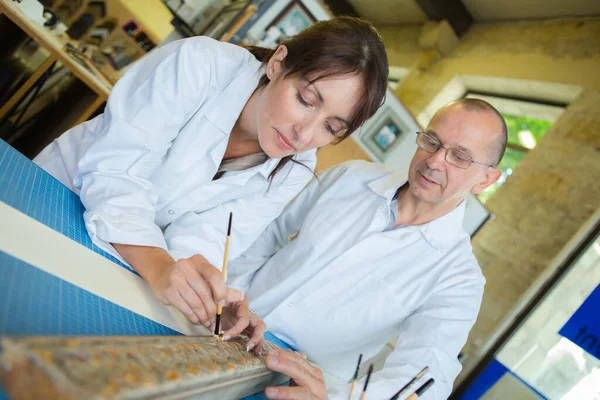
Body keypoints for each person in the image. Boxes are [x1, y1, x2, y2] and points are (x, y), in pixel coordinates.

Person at [33, 16, 389, 348]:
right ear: (278, 63)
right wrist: (160, 268)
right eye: (306, 100)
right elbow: (116, 171)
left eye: (331, 127)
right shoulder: (199, 65)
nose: (305, 133)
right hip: (58, 198)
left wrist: (208, 295)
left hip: (129, 260)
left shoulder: (296, 166)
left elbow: (208, 234)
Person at [228, 98, 507, 399]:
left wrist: (338, 398)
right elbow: (268, 230)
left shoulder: (459, 279)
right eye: (431, 141)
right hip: (228, 322)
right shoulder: (352, 176)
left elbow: (428, 375)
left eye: (459, 157)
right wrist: (233, 292)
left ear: (486, 179)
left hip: (298, 384)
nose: (435, 161)